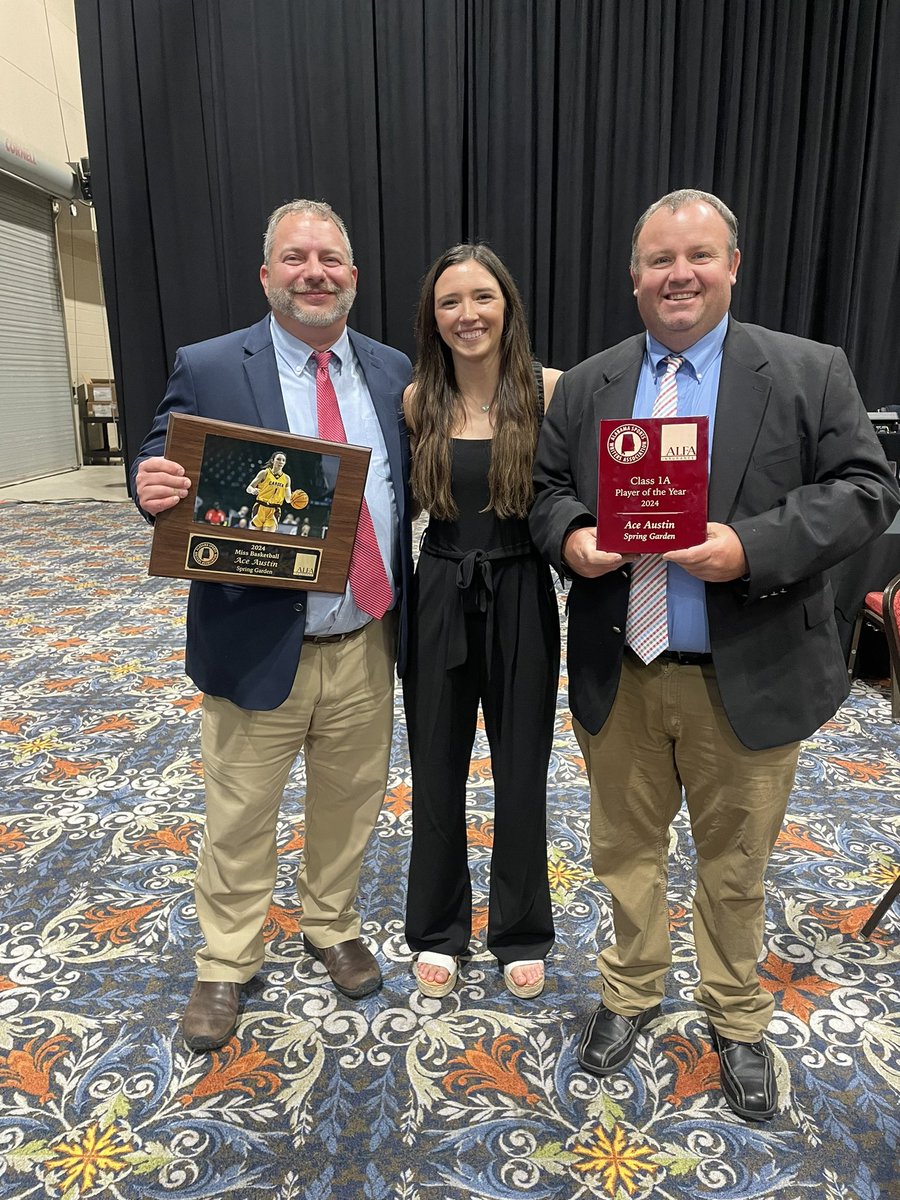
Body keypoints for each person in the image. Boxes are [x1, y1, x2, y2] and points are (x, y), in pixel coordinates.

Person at [530, 189, 900, 1119]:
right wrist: (573, 536)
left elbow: (866, 490)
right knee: (624, 851)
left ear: (733, 265)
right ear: (634, 275)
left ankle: (735, 1014)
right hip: (623, 667)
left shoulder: (809, 371)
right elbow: (542, 491)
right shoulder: (587, 386)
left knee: (735, 862)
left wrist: (750, 547)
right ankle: (629, 990)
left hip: (750, 669)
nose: (678, 275)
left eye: (698, 256)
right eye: (659, 260)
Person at [132, 199, 413, 1051]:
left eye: (330, 259)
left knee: (351, 800)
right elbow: (160, 458)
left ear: (353, 278)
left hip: (364, 635)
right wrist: (147, 488)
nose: (314, 273)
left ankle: (330, 922)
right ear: (266, 275)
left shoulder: (395, 370)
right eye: (295, 258)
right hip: (256, 634)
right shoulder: (212, 364)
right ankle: (226, 959)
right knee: (241, 810)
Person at [403, 244, 561, 1000]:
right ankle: (438, 928)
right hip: (439, 590)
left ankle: (522, 930)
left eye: (482, 298)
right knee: (435, 767)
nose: (467, 315)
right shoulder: (415, 401)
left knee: (522, 767)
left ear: (508, 305)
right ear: (433, 319)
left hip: (523, 587)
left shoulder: (549, 391)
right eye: (449, 302)